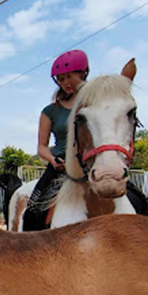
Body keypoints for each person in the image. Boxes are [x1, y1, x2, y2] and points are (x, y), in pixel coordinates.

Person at [23, 50, 90, 231]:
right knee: (33, 210)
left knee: (140, 200)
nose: (65, 83)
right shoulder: (50, 111)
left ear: (83, 73)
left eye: (69, 77)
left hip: (92, 163)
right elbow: (41, 147)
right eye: (60, 79)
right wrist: (52, 160)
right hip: (61, 165)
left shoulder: (94, 104)